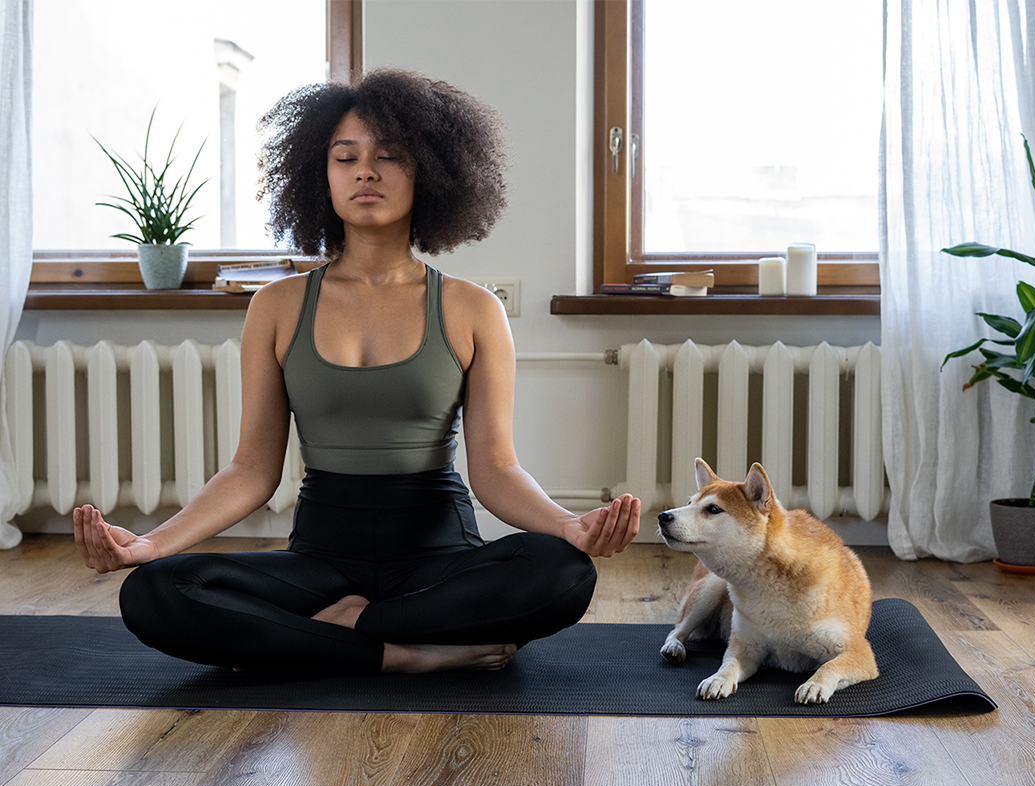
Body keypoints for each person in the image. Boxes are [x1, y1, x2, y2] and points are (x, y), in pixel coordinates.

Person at [73, 69, 641, 675]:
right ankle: (403, 652)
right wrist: (153, 544)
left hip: (438, 556)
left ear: (431, 173)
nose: (365, 171)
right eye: (346, 157)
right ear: (321, 177)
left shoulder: (473, 308)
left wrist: (566, 526)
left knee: (562, 574)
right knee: (155, 592)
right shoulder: (277, 306)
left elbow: (496, 469)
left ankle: (342, 633)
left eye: (388, 157)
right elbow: (251, 469)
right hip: (322, 560)